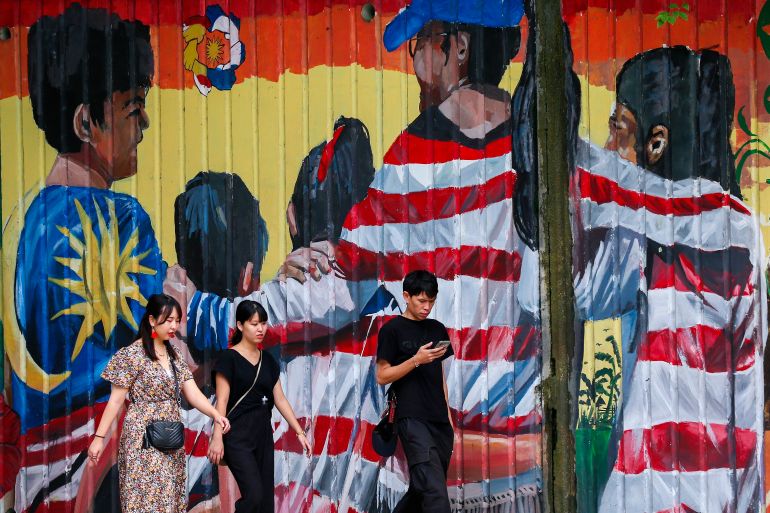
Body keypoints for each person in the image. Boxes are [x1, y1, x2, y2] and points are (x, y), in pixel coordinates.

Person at [573, 46, 766, 513]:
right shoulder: (642, 235)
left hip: (704, 497)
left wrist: (567, 153)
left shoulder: (728, 225)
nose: (608, 145)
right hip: (636, 494)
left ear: (656, 143)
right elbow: (576, 298)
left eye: (618, 127)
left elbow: (653, 201)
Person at [86, 294, 230, 513]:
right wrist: (98, 438)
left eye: (176, 320)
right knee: (142, 498)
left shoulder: (174, 357)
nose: (174, 326)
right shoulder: (131, 355)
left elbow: (192, 392)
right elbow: (115, 402)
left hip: (170, 438)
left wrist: (215, 414)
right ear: (152, 320)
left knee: (169, 498)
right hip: (141, 439)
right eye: (168, 320)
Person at [207, 300, 311, 513]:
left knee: (264, 504)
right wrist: (217, 437)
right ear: (240, 325)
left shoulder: (269, 361)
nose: (260, 329)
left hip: (263, 435)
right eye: (254, 324)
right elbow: (222, 401)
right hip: (236, 436)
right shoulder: (229, 359)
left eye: (263, 323)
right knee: (253, 496)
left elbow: (280, 399)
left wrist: (299, 432)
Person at [375, 270, 454, 513]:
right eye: (421, 301)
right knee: (435, 494)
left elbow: (440, 376)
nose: (427, 306)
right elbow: (382, 376)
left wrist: (449, 417)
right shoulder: (392, 330)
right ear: (406, 296)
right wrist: (416, 360)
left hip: (439, 420)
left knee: (423, 489)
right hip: (411, 418)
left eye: (431, 301)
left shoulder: (438, 329)